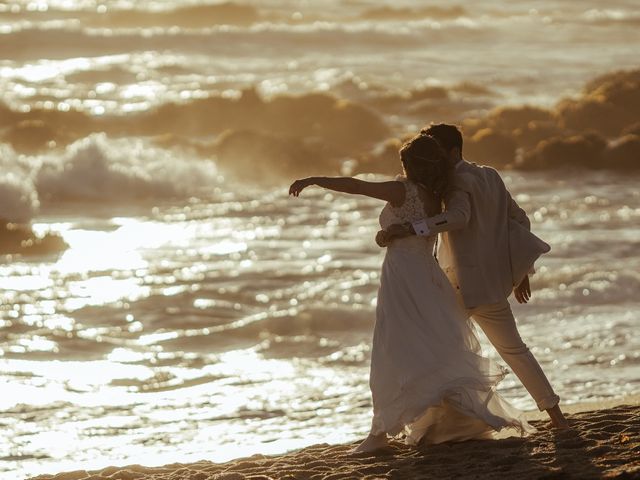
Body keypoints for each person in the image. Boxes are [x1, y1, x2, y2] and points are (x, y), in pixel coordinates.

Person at [289, 134, 534, 454]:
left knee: (393, 348)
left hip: (403, 277)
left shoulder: (401, 190)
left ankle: (379, 434)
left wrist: (314, 180)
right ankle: (444, 422)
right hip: (427, 277)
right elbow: (415, 231)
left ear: (410, 165)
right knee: (431, 345)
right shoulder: (436, 196)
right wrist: (389, 236)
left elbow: (356, 185)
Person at [377, 123, 569, 430]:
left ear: (452, 151)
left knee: (432, 351)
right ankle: (557, 417)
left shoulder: (457, 181)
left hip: (457, 287)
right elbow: (519, 220)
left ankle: (437, 425)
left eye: (438, 152)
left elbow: (459, 218)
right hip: (492, 287)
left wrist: (413, 228)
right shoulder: (490, 174)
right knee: (515, 351)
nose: (434, 160)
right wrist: (521, 272)